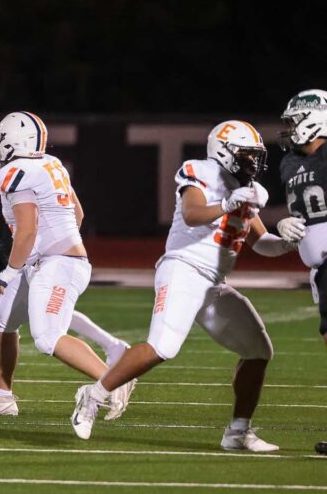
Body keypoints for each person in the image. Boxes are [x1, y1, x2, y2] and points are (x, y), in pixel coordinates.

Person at [71, 120, 294, 452]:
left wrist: (289, 241)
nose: (254, 162)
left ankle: (237, 432)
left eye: (255, 156)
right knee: (162, 347)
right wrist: (227, 204)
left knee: (258, 350)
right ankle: (93, 395)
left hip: (214, 284)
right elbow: (192, 213)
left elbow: (262, 244)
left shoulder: (247, 190)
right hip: (183, 269)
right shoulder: (201, 171)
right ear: (224, 152)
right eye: (247, 155)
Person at [0, 113, 134, 418]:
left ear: (16, 141)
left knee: (48, 337)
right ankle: (1, 397)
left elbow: (27, 230)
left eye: (1, 140)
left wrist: (11, 270)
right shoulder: (51, 164)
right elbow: (78, 214)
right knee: (2, 320)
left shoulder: (15, 171)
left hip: (55, 264)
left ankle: (114, 380)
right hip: (50, 260)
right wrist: (56, 245)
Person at [0, 126, 129, 365]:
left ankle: (110, 350)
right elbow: (74, 215)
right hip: (15, 243)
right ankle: (111, 346)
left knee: (44, 314)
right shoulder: (47, 165)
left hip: (20, 246)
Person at [274, 89, 327, 456]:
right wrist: (283, 223)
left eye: (294, 121)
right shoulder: (290, 162)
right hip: (318, 267)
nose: (290, 128)